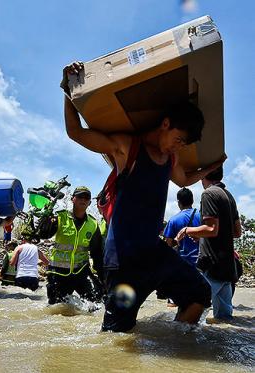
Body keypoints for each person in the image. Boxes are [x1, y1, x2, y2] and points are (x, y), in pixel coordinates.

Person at [61, 61, 224, 332]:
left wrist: (211, 167)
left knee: (199, 294)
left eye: (184, 144)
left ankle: (173, 347)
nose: (180, 146)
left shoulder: (170, 158)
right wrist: (68, 91)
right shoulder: (128, 147)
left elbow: (184, 179)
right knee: (116, 337)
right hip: (122, 260)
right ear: (166, 123)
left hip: (153, 253)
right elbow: (76, 133)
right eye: (179, 139)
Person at [176, 167, 241, 320]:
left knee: (186, 317)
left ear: (203, 175)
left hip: (211, 265)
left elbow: (211, 228)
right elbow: (236, 232)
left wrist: (187, 230)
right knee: (223, 320)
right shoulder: (228, 195)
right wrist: (203, 236)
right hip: (227, 267)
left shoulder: (209, 193)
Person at [43, 186, 104, 304]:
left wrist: (102, 277)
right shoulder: (60, 217)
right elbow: (44, 234)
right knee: (57, 309)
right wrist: (46, 219)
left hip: (81, 273)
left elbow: (97, 253)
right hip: (58, 273)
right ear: (72, 199)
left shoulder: (93, 224)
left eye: (86, 197)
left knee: (94, 305)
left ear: (90, 202)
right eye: (80, 196)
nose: (83, 199)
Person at [163, 188, 201, 267]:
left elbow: (168, 246)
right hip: (202, 264)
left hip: (183, 265)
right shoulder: (202, 216)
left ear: (179, 202)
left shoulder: (173, 220)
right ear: (192, 200)